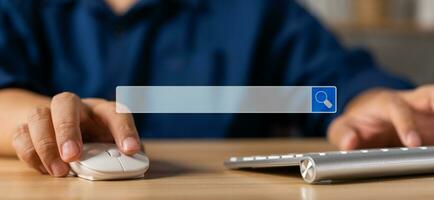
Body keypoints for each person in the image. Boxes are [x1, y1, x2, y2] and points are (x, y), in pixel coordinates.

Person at [0, 0, 433, 177]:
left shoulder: (257, 12)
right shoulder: (21, 9)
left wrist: (369, 101)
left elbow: (331, 85)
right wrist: (49, 122)